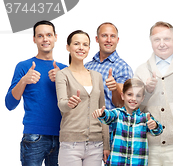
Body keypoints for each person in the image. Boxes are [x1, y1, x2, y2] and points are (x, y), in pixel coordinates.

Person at [133, 21, 173, 166]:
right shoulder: (141, 70)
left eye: (166, 39)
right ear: (151, 41)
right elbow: (134, 109)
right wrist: (147, 92)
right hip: (151, 147)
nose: (162, 44)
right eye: (157, 39)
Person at [5, 20, 67, 166]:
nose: (45, 39)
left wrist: (62, 79)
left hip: (62, 136)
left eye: (49, 35)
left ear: (55, 37)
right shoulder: (24, 67)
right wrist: (24, 80)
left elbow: (74, 104)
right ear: (34, 39)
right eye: (40, 36)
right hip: (34, 137)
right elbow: (9, 104)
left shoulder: (64, 69)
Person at [55, 30, 110, 165]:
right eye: (76, 44)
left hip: (96, 145)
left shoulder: (97, 76)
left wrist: (106, 144)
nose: (81, 47)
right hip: (70, 144)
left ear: (89, 49)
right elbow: (61, 104)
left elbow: (103, 112)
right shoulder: (62, 75)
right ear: (68, 47)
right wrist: (69, 103)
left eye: (85, 44)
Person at [84, 22, 133, 164]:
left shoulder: (122, 67)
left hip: (113, 132)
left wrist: (115, 88)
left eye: (112, 36)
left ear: (117, 40)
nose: (108, 40)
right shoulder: (87, 66)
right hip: (89, 130)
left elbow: (124, 104)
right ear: (97, 39)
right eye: (104, 35)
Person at [92, 78, 163, 166]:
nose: (133, 98)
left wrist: (155, 125)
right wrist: (102, 113)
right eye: (130, 94)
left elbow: (158, 130)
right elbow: (108, 116)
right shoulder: (117, 114)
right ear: (122, 96)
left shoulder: (145, 118)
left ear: (142, 99)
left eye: (138, 96)